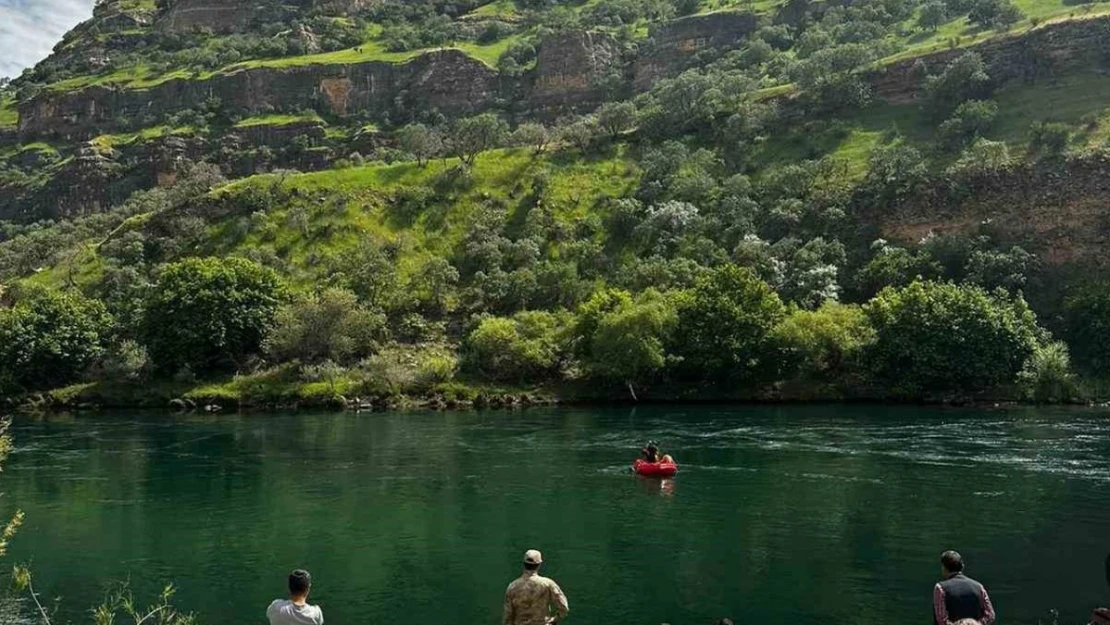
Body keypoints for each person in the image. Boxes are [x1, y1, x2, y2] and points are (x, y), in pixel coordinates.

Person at [503, 549, 569, 625]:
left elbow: (508, 615)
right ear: (539, 564)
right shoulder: (548, 584)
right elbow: (564, 607)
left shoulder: (512, 586)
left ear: (524, 564)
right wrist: (554, 620)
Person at [933, 551, 995, 625]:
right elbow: (990, 615)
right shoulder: (979, 587)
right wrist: (977, 623)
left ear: (944, 568)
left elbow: (941, 620)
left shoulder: (940, 588)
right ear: (962, 567)